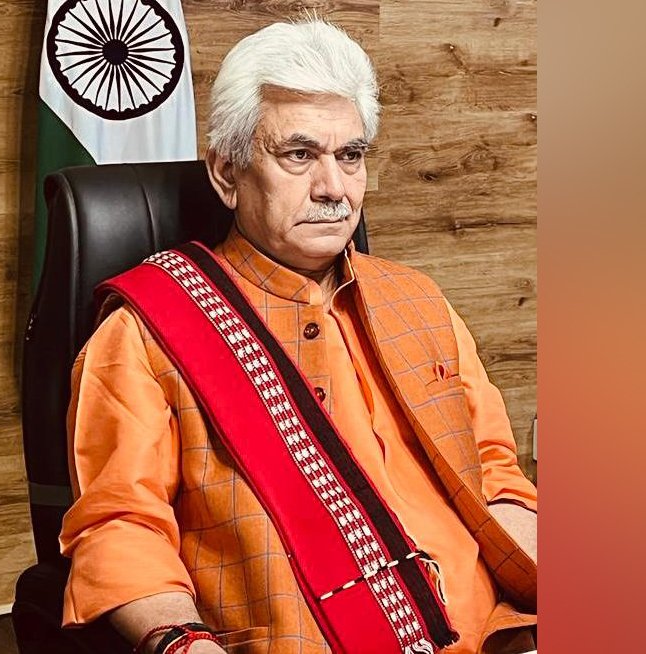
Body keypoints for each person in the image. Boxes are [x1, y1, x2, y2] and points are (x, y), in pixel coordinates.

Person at [59, 19, 537, 654]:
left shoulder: (419, 299)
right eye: (299, 155)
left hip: (502, 633)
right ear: (226, 174)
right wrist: (183, 644)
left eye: (350, 156)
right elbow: (120, 527)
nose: (333, 189)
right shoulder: (145, 333)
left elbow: (495, 474)